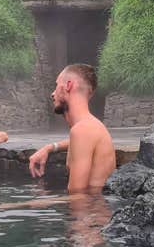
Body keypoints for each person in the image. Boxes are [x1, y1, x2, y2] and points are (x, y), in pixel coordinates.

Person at [28, 63, 116, 193]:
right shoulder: (89, 128)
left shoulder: (82, 130)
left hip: (91, 211)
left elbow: (78, 196)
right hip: (96, 209)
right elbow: (82, 143)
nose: (53, 94)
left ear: (68, 85)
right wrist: (50, 148)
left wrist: (25, 205)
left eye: (57, 85)